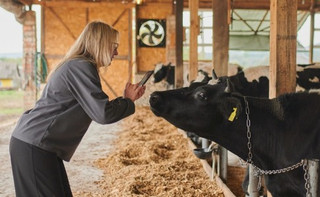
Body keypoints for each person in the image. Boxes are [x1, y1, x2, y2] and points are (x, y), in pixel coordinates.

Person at [9, 21, 146, 197]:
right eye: (114, 46)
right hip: (35, 145)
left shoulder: (79, 66)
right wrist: (127, 100)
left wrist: (126, 100)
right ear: (101, 44)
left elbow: (97, 106)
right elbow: (102, 114)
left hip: (40, 145)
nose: (116, 53)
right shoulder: (81, 67)